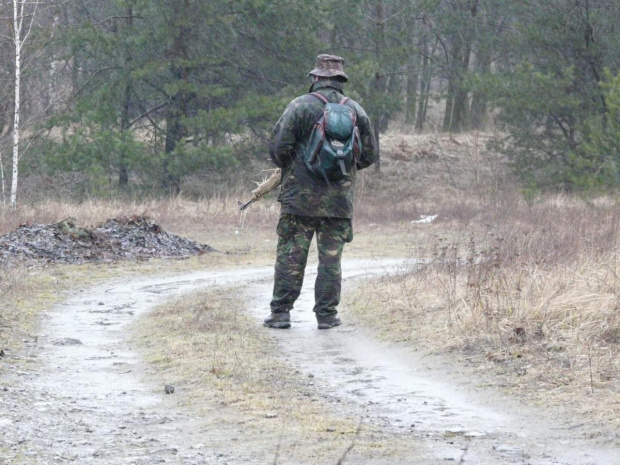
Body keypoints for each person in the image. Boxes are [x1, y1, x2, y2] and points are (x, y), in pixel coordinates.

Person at [264, 54, 378, 330]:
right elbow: (369, 155)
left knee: (291, 255)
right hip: (339, 202)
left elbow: (278, 149)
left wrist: (298, 166)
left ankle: (281, 313)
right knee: (330, 260)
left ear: (316, 77)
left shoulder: (299, 107)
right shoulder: (356, 111)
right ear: (340, 80)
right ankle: (327, 316)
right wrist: (341, 170)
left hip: (298, 200)